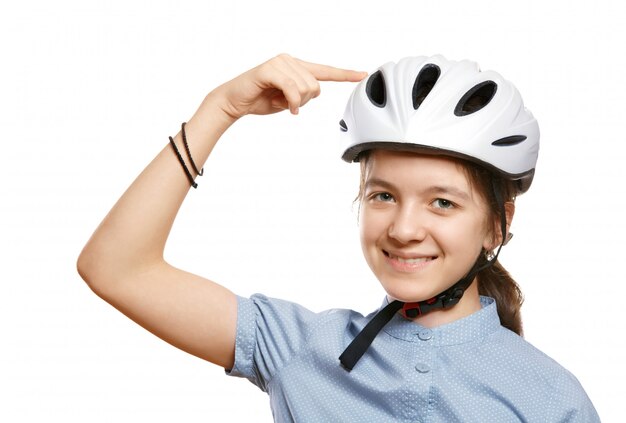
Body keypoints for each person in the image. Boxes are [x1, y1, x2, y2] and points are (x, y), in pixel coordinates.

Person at [77, 54, 600, 422]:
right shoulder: (298, 346)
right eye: (383, 195)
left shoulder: (553, 398)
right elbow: (116, 268)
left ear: (497, 223)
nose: (403, 228)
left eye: (443, 202)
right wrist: (220, 110)